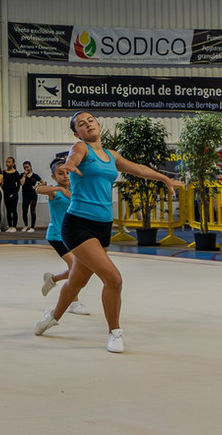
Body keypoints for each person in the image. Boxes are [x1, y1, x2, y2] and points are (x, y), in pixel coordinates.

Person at [33, 111, 183, 353]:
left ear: (98, 124)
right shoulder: (80, 148)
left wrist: (164, 179)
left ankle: (52, 317)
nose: (87, 124)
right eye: (81, 124)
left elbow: (138, 168)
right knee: (113, 278)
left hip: (103, 226)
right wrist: (70, 165)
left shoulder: (111, 155)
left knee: (77, 280)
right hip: (78, 224)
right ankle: (114, 332)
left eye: (90, 120)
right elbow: (73, 158)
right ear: (77, 133)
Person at [35, 157, 89, 316]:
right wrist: (59, 189)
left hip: (72, 236)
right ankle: (74, 302)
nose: (65, 176)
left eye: (67, 173)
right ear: (54, 177)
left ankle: (53, 279)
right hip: (57, 236)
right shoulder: (54, 192)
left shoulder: (74, 190)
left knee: (81, 268)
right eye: (60, 173)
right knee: (74, 265)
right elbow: (38, 189)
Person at [20, 160, 43, 232]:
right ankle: (26, 225)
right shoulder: (22, 175)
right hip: (25, 195)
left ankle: (32, 227)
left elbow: (43, 183)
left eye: (27, 167)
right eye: (24, 167)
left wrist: (36, 186)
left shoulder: (35, 175)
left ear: (30, 167)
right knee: (24, 211)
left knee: (32, 211)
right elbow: (22, 184)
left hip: (33, 195)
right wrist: (24, 175)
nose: (26, 169)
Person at [2, 156, 21, 232]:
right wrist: (4, 189)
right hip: (6, 192)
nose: (7, 163)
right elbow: (3, 183)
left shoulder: (16, 173)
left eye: (9, 162)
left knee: (14, 209)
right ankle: (10, 226)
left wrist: (15, 192)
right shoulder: (4, 172)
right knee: (8, 210)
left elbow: (18, 184)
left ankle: (14, 226)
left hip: (14, 193)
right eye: (6, 162)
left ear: (13, 163)